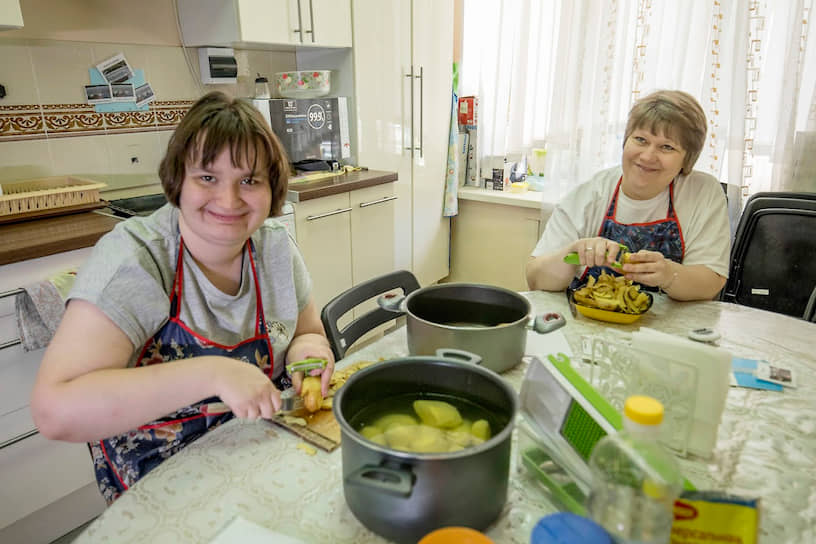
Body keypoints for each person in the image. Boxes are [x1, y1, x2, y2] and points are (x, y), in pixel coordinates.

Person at [30, 91, 335, 504]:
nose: (229, 200)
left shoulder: (275, 247)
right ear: (178, 180)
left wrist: (310, 356)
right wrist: (213, 374)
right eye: (207, 178)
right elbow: (56, 412)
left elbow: (307, 332)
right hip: (163, 478)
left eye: (249, 180)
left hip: (264, 450)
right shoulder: (137, 260)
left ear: (273, 188)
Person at [526, 90, 729, 301]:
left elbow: (711, 282)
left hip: (671, 331)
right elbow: (535, 279)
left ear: (688, 159)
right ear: (625, 141)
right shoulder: (589, 195)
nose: (648, 156)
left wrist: (668, 275)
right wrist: (573, 252)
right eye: (641, 140)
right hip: (588, 327)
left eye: (666, 147)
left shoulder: (702, 192)